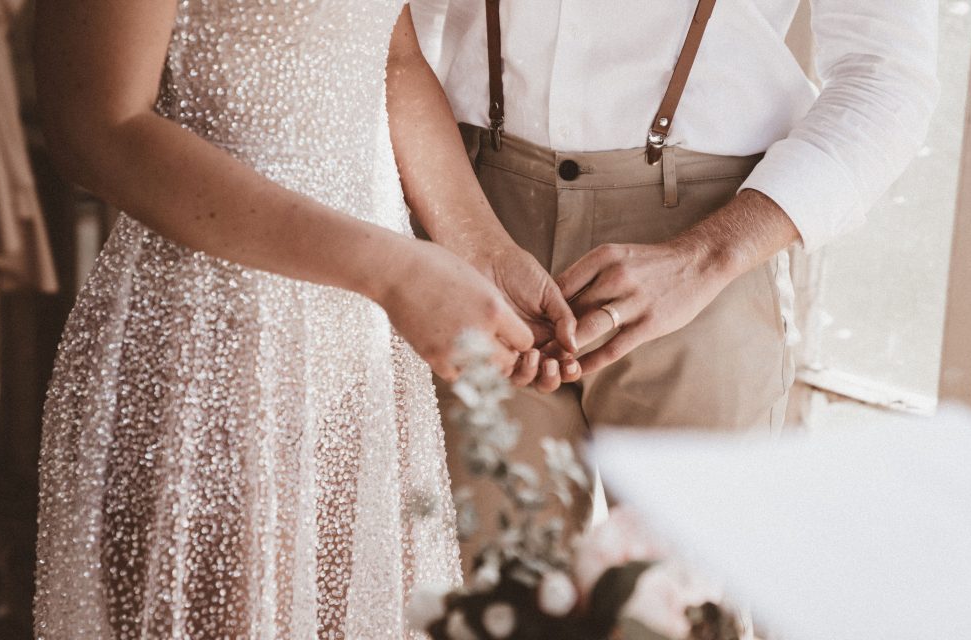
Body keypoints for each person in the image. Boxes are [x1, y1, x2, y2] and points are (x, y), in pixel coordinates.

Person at [33, 1, 577, 637]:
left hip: (363, 348)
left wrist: (484, 251)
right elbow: (97, 127)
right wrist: (395, 273)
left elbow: (392, 57)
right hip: (215, 345)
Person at [415, 0, 939, 560]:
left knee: (683, 594)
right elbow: (391, 36)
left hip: (708, 250)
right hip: (467, 221)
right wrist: (454, 230)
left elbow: (885, 71)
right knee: (485, 587)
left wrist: (705, 258)